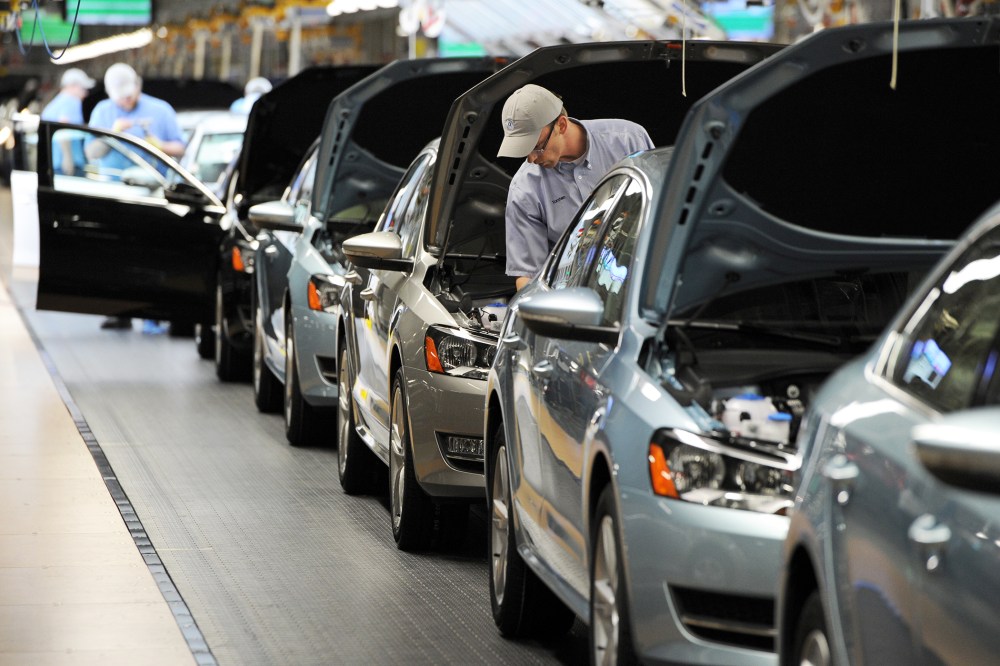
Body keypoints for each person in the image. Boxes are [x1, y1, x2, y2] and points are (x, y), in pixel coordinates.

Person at [497, 84, 653, 290]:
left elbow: (663, 207)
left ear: (561, 125)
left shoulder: (629, 140)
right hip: (576, 293)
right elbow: (528, 277)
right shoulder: (524, 190)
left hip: (646, 270)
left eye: (536, 147)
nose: (532, 159)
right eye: (524, 151)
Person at [87, 63, 185, 331]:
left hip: (153, 196)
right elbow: (91, 153)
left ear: (138, 86)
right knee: (116, 254)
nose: (127, 101)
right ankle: (119, 310)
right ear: (110, 94)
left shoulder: (161, 110)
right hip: (114, 195)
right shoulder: (103, 112)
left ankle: (154, 311)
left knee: (152, 254)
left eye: (130, 95)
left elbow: (181, 147)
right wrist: (113, 133)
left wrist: (160, 146)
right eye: (121, 98)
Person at [41, 68, 96, 176]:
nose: (85, 94)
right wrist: (68, 158)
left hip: (54, 163)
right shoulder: (72, 101)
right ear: (72, 86)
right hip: (68, 166)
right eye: (83, 89)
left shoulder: (55, 103)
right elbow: (63, 128)